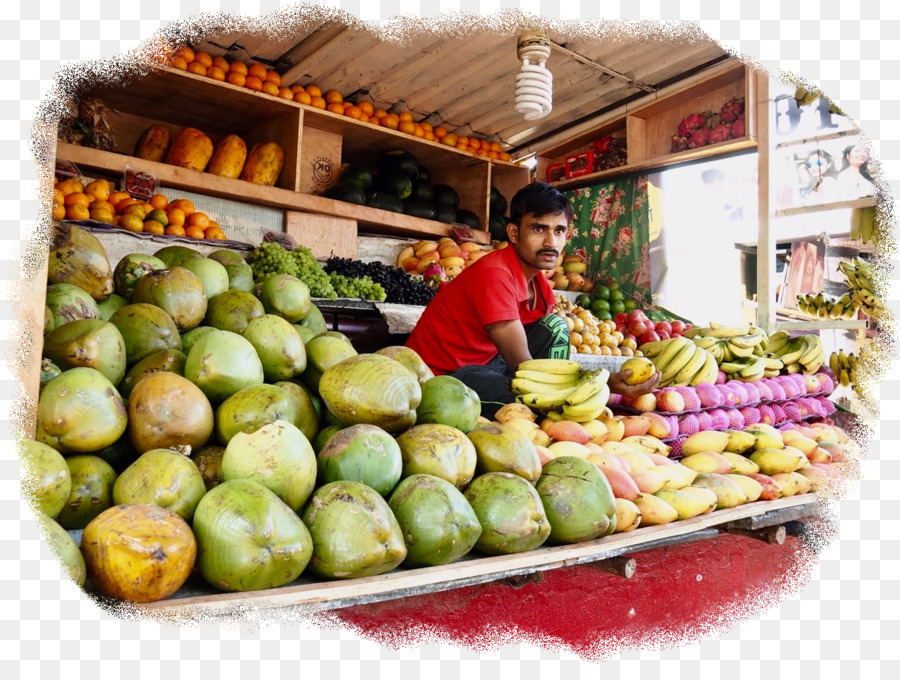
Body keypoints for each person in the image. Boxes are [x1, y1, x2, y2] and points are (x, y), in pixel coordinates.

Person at [406, 181, 660, 418]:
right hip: (441, 380)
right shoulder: (494, 274)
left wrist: (594, 382)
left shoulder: (538, 284)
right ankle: (560, 409)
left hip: (485, 364)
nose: (551, 242)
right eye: (539, 229)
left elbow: (538, 364)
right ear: (514, 233)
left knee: (555, 327)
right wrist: (601, 383)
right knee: (528, 395)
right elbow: (523, 367)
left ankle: (561, 404)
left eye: (559, 231)